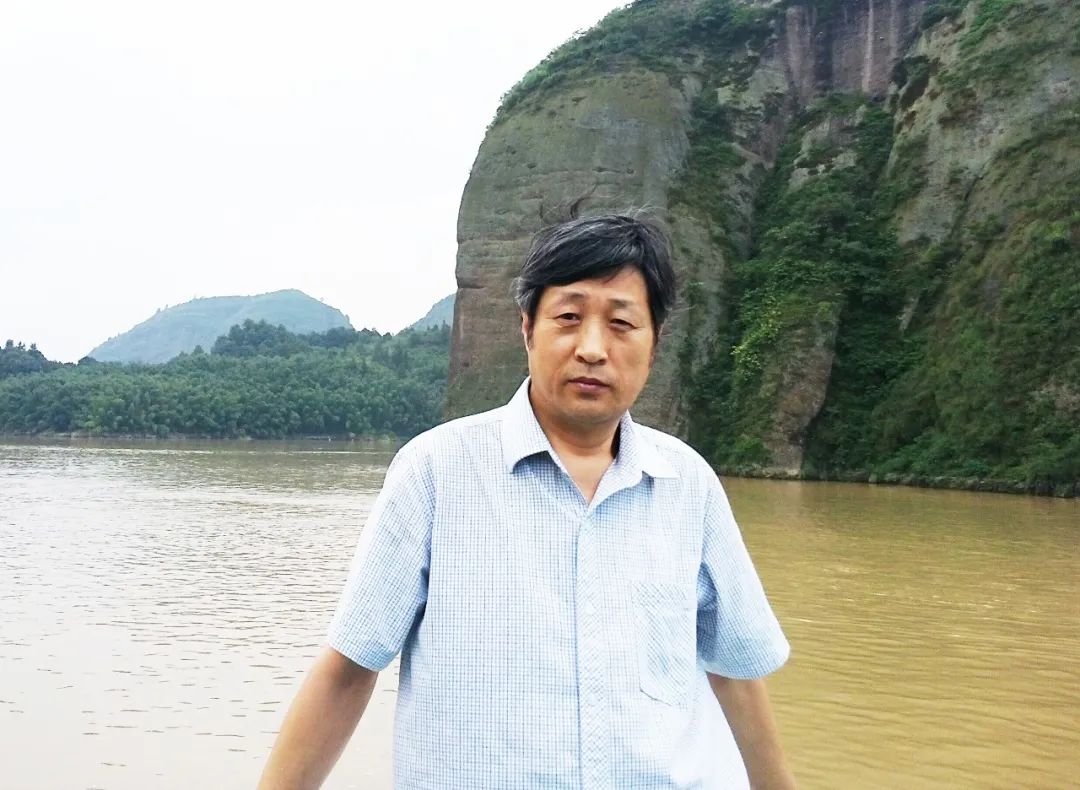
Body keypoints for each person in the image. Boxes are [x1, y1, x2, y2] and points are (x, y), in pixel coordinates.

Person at [257, 212, 795, 789]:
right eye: (568, 317)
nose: (592, 349)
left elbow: (734, 672)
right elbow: (350, 668)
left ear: (654, 344)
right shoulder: (435, 472)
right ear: (527, 329)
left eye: (621, 324)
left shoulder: (688, 484)